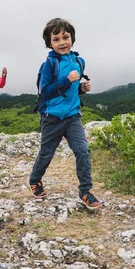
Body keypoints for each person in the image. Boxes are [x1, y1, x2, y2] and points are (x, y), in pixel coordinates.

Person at [29, 18, 102, 210]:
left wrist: (82, 88)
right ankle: (35, 180)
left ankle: (85, 191)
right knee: (46, 154)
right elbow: (44, 92)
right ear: (49, 43)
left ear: (72, 38)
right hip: (51, 117)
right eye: (56, 39)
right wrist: (67, 81)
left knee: (82, 151)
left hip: (72, 116)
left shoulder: (79, 61)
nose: (62, 42)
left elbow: (72, 90)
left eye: (66, 37)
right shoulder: (49, 65)